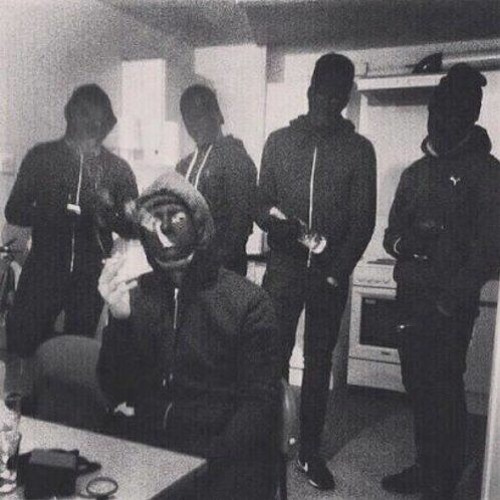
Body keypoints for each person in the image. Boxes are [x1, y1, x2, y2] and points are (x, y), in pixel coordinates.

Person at [97, 171, 281, 500]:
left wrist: (204, 465)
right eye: (154, 220)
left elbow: (258, 405)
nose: (165, 229)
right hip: (149, 444)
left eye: (176, 217)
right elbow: (114, 388)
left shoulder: (248, 303)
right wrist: (120, 321)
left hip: (219, 456)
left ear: (199, 225)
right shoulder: (136, 295)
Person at [256, 53, 377, 490]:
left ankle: (309, 453)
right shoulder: (278, 141)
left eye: (338, 95)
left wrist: (337, 271)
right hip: (283, 270)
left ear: (345, 98)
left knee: (318, 362)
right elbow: (260, 203)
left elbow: (363, 221)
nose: (329, 101)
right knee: (272, 356)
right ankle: (268, 442)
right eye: (323, 91)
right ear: (310, 90)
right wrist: (279, 226)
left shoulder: (360, 150)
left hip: (329, 275)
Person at [382, 64, 500, 500]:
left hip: (448, 305)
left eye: (453, 112)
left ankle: (445, 476)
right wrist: (407, 244)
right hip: (409, 297)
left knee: (444, 386)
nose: (440, 120)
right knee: (416, 383)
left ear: (471, 116)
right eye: (436, 111)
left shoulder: (488, 173)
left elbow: (490, 250)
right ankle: (425, 464)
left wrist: (449, 302)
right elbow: (391, 235)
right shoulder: (414, 173)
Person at [5, 84, 138, 358]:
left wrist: (106, 215)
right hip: (43, 269)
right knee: (22, 344)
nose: (92, 128)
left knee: (78, 354)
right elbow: (13, 210)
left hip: (90, 277)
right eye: (85, 117)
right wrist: (50, 212)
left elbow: (133, 226)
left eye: (99, 122)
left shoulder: (117, 169)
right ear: (70, 115)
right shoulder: (42, 157)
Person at [176, 85, 257, 276]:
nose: (193, 125)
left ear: (218, 115)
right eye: (188, 118)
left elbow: (239, 229)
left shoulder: (236, 160)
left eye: (200, 116)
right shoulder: (183, 166)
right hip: (190, 274)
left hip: (223, 274)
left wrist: (205, 266)